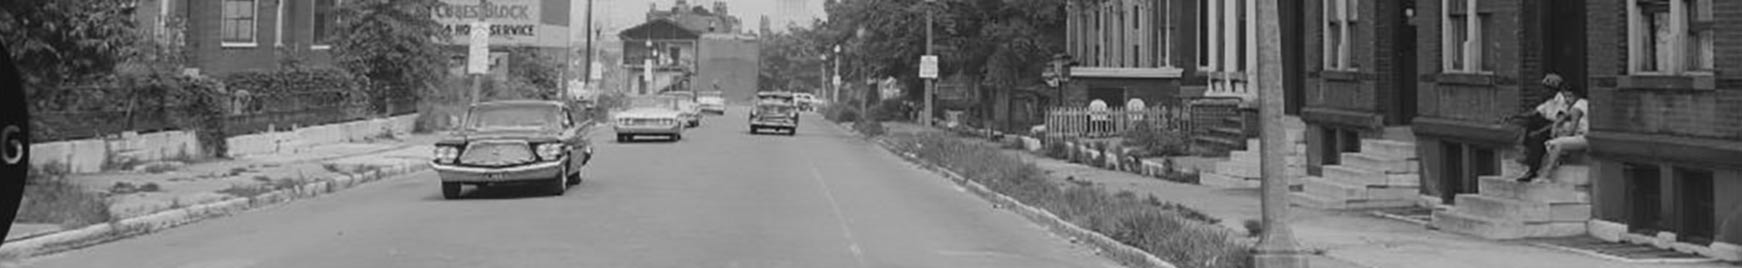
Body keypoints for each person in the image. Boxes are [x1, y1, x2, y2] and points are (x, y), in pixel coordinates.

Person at [1505, 74, 1580, 182]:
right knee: (1531, 122)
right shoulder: (1548, 101)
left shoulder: (1563, 101)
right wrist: (1514, 117)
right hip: (1547, 126)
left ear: (1552, 89)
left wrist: (1538, 132)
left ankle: (1532, 170)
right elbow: (1534, 114)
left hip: (1558, 128)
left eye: (1545, 89)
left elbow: (1558, 122)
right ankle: (1524, 151)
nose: (1542, 91)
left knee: (1537, 138)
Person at [1536, 97, 1588, 182]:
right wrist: (1555, 125)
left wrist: (1560, 137)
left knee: (1556, 144)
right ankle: (1554, 162)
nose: (1566, 101)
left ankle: (1546, 174)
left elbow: (1571, 130)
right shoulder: (1579, 105)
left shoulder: (1579, 105)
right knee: (1554, 141)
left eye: (1568, 97)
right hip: (1580, 137)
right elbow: (1564, 117)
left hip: (1584, 138)